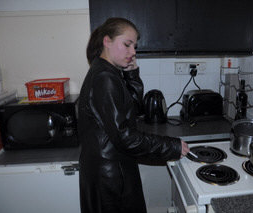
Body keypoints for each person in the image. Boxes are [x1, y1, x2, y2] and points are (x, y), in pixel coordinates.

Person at [78, 17, 190, 213]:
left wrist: (132, 74)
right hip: (111, 176)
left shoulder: (106, 71)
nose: (133, 52)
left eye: (134, 46)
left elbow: (132, 109)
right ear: (107, 41)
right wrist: (171, 146)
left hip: (109, 169)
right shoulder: (105, 77)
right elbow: (125, 137)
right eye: (127, 44)